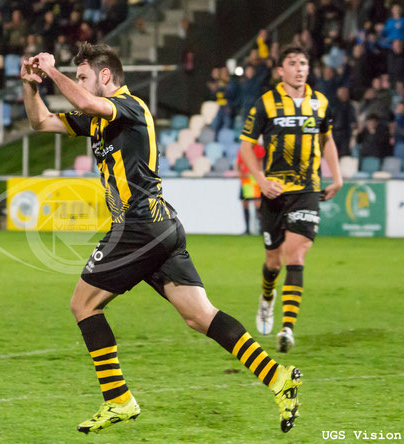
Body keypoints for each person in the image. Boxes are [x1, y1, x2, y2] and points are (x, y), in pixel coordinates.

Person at [22, 43, 303, 435]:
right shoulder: (98, 120)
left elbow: (86, 101)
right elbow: (41, 123)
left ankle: (119, 399)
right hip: (159, 226)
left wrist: (53, 72)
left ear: (106, 76)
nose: (80, 83)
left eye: (84, 75)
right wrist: (31, 85)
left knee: (83, 305)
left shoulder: (129, 105)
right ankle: (279, 378)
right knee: (199, 315)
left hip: (138, 225)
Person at [239, 45, 343, 351]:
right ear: (280, 70)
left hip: (307, 190)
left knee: (295, 257)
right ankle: (267, 297)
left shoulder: (320, 103)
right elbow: (246, 146)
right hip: (274, 191)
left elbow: (327, 141)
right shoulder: (266, 104)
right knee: (273, 261)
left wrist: (337, 176)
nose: (299, 68)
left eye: (303, 63)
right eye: (293, 63)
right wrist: (261, 181)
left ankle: (287, 329)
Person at [237, 141, 265, 234]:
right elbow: (239, 164)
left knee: (258, 204)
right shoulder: (242, 148)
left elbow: (261, 163)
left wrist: (256, 173)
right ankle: (247, 229)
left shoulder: (258, 148)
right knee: (245, 203)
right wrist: (241, 174)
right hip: (245, 179)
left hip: (254, 179)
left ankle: (261, 228)